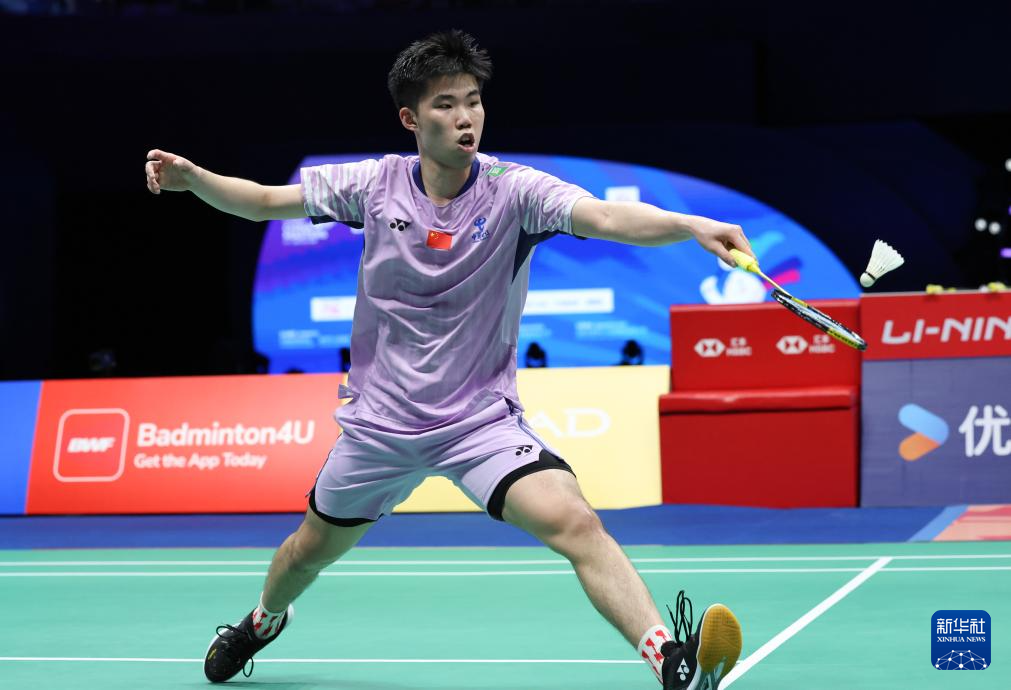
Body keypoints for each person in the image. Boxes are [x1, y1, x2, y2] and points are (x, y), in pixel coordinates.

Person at [146, 29, 748, 689]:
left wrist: (690, 226)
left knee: (575, 521)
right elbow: (264, 201)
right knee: (304, 554)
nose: (466, 118)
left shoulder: (514, 191)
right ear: (411, 118)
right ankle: (262, 621)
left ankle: (672, 662)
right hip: (379, 427)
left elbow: (603, 217)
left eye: (473, 101)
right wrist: (194, 180)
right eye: (446, 104)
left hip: (477, 424)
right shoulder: (374, 184)